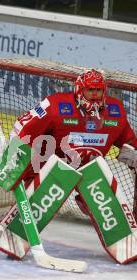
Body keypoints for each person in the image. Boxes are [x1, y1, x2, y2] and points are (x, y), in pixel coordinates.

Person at [10, 68, 137, 219]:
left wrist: (133, 151)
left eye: (98, 90)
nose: (95, 94)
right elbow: (23, 127)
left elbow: (128, 140)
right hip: (50, 165)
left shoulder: (115, 111)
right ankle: (24, 215)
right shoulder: (55, 104)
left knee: (106, 211)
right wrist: (15, 153)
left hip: (89, 169)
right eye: (90, 90)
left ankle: (98, 212)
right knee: (39, 208)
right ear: (79, 90)